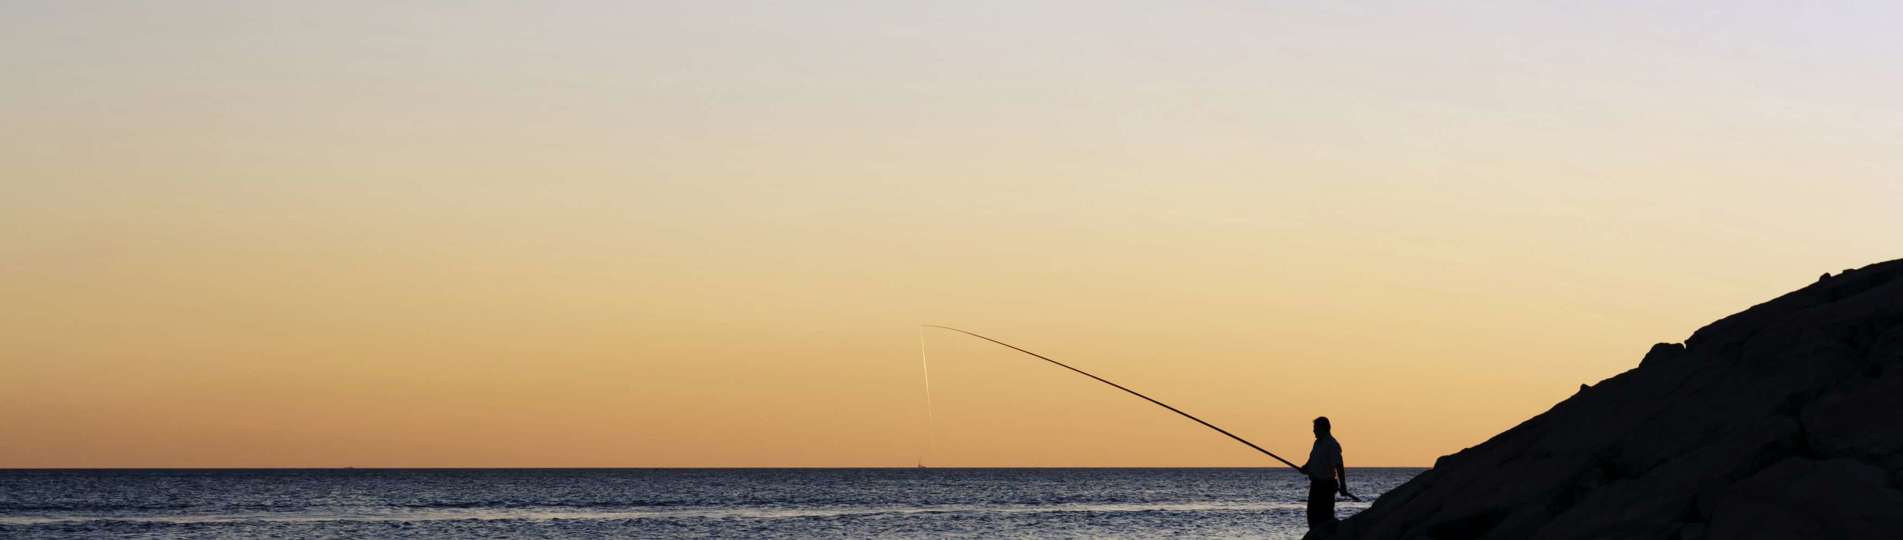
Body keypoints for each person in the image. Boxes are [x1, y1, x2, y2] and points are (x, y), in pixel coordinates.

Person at [1302, 416, 1349, 530]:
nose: (1313, 431)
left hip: (1326, 486)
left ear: (1323, 428)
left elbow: (1339, 466)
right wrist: (1306, 467)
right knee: (1312, 515)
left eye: (1315, 428)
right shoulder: (1317, 443)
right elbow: (1312, 459)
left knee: (1325, 516)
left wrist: (1343, 485)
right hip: (1316, 485)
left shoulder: (1332, 445)